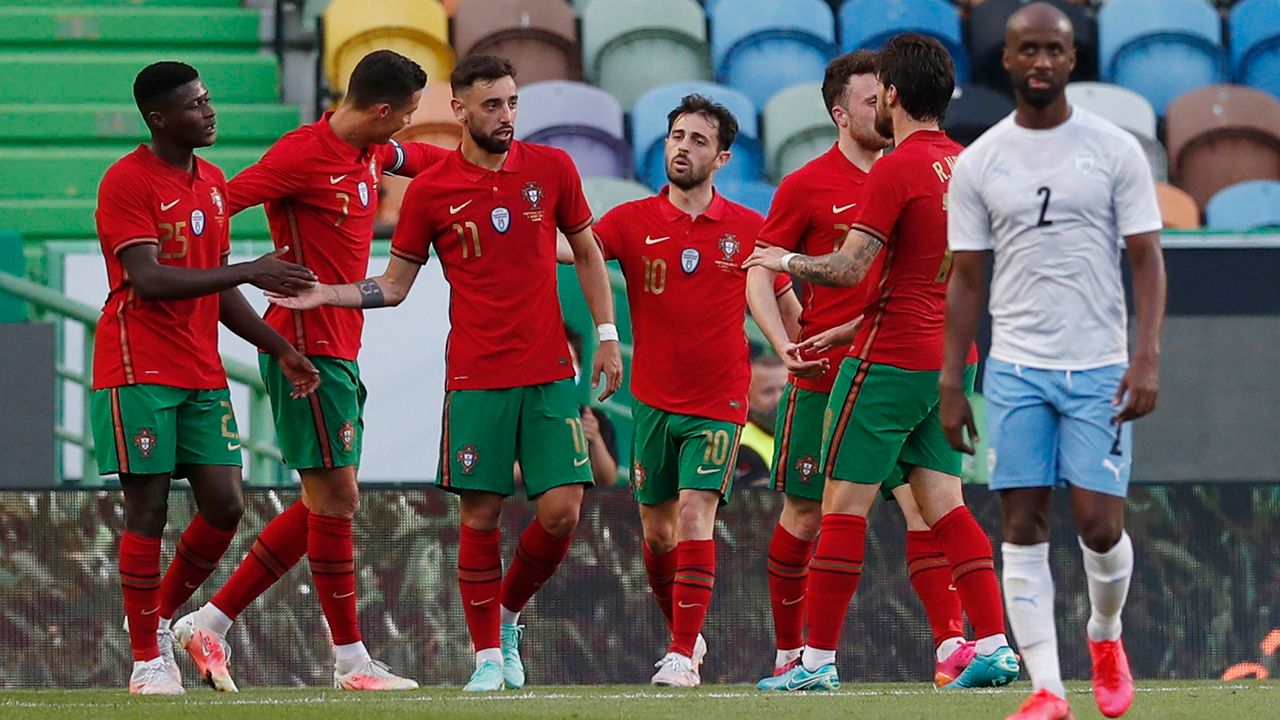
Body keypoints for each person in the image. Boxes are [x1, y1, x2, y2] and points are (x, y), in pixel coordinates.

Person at [268, 54, 624, 693]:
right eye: (492, 105)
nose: (507, 116)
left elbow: (590, 253)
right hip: (475, 377)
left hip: (548, 374)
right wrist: (330, 294)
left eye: (513, 102)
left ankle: (507, 614)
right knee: (481, 515)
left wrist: (605, 336)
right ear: (458, 110)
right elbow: (395, 285)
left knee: (562, 513)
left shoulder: (553, 169)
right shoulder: (430, 191)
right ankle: (488, 654)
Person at [746, 33, 1019, 692]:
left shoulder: (896, 169)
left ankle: (814, 663)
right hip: (948, 360)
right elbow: (943, 277)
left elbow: (848, 268)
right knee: (947, 507)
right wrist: (840, 333)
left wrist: (779, 261)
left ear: (894, 97)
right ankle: (993, 644)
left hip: (888, 359)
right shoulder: (969, 164)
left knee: (841, 507)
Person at [170, 50, 446, 693]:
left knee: (326, 500)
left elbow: (430, 163)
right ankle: (350, 661)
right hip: (304, 347)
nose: (406, 127)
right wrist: (230, 275)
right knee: (338, 500)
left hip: (340, 346)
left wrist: (489, 165)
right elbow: (219, 204)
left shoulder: (368, 153)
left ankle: (209, 622)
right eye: (405, 116)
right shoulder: (301, 155)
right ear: (380, 111)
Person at [940, 5, 1165, 719]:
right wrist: (953, 378)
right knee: (1021, 524)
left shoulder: (1116, 148)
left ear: (1073, 60)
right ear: (1005, 61)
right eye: (1027, 49)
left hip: (1098, 366)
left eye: (1054, 49)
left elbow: (1147, 258)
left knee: (1099, 526)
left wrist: (1147, 355)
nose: (1040, 60)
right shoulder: (980, 161)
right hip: (1016, 370)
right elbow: (967, 277)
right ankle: (1047, 689)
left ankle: (1105, 634)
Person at [91, 61, 320, 695]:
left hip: (199, 367)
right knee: (149, 508)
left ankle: (159, 621)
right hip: (137, 367)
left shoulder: (214, 183)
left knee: (225, 503)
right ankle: (145, 663)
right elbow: (151, 279)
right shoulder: (126, 181)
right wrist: (247, 269)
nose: (209, 111)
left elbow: (216, 287)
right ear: (161, 119)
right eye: (195, 105)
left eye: (208, 99)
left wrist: (279, 349)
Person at [592, 94, 764, 687]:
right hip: (652, 402)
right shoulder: (630, 220)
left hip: (718, 399)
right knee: (657, 534)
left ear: (721, 158)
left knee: (696, 514)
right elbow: (571, 250)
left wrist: (799, 349)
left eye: (696, 139)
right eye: (675, 136)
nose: (682, 147)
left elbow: (779, 295)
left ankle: (680, 651)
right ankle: (686, 639)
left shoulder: (747, 228)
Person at [564, 325, 620, 487]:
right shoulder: (520, 417)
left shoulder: (596, 420)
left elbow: (609, 481)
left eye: (568, 361)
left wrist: (594, 438)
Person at [739, 349, 786, 470]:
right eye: (768, 391)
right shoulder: (737, 444)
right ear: (748, 397)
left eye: (785, 389)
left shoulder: (812, 438)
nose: (778, 399)